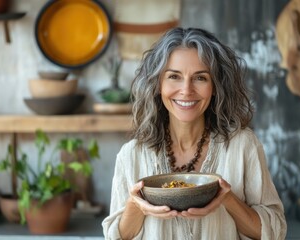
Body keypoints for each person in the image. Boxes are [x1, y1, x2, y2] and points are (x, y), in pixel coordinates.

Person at [102, 27, 286, 240]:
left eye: (200, 78)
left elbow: (274, 233)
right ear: (157, 84)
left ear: (215, 86)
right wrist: (136, 205)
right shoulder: (132, 154)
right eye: (174, 76)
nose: (186, 90)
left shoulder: (243, 146)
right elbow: (115, 237)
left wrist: (227, 199)